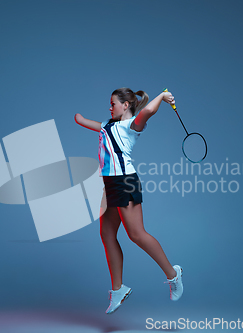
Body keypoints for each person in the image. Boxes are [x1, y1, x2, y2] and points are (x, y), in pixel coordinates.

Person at [74, 88, 183, 314]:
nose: (110, 107)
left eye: (113, 103)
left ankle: (173, 274)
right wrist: (78, 118)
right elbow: (88, 122)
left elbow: (148, 112)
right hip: (109, 184)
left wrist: (162, 98)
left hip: (125, 182)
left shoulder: (132, 125)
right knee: (106, 234)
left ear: (125, 105)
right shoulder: (107, 124)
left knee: (136, 234)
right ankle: (118, 289)